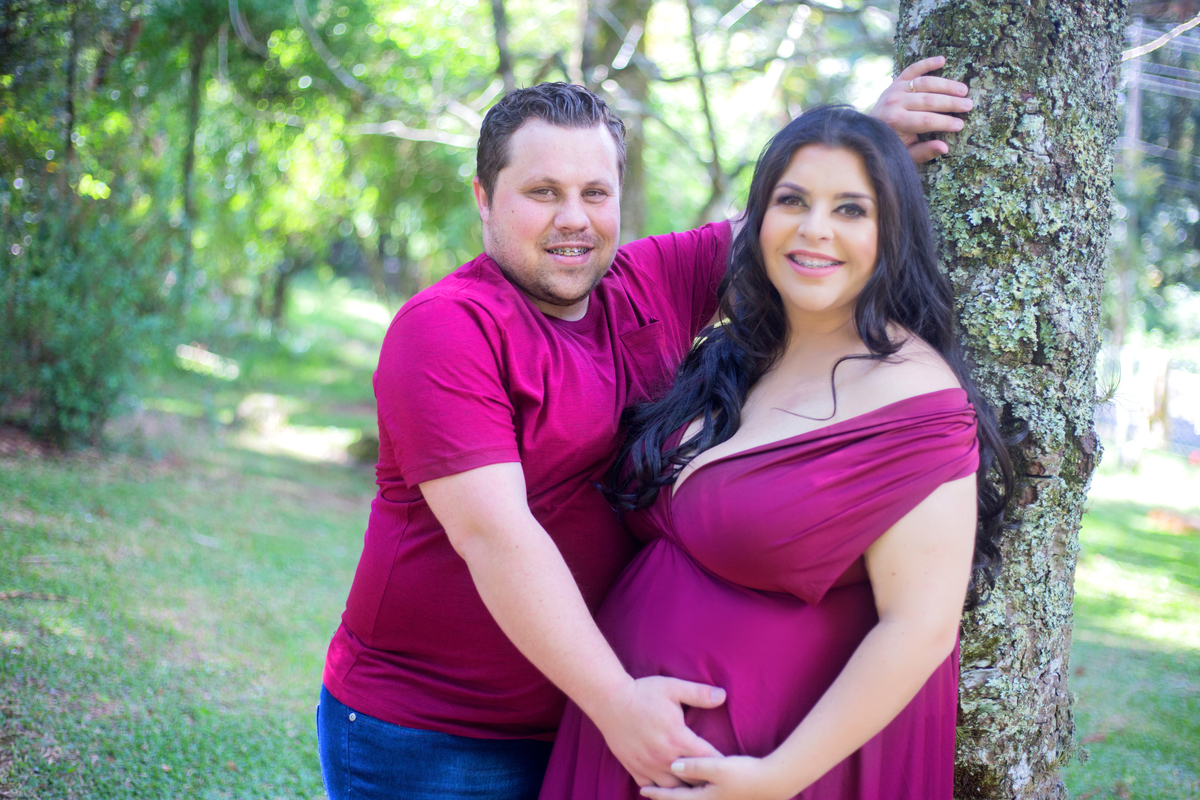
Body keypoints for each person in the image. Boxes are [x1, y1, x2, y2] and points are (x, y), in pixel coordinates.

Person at [317, 65, 976, 800]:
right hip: (441, 732)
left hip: (584, 723)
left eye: (595, 193)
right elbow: (496, 536)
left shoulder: (647, 281)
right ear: (484, 198)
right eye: (543, 193)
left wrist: (869, 140)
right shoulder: (449, 328)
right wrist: (615, 703)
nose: (574, 218)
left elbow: (790, 230)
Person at [538, 105, 1013, 800]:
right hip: (621, 742)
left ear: (893, 232)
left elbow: (921, 627)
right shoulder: (743, 352)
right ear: (759, 220)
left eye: (851, 209)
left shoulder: (917, 404)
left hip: (761, 772)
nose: (814, 229)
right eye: (792, 201)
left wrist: (774, 779)